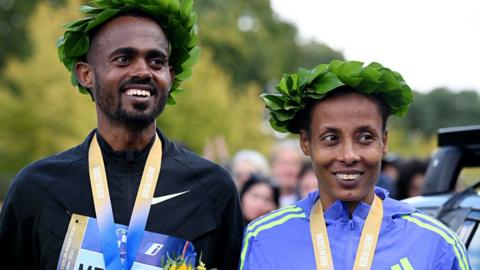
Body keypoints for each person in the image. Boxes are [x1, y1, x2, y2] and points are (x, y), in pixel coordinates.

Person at [0, 1, 244, 269]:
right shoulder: (37, 188)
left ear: (170, 77)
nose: (142, 71)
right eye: (123, 59)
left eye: (156, 61)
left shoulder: (212, 189)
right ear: (86, 74)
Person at [240, 60, 471, 269]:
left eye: (365, 138)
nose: (349, 155)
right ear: (306, 143)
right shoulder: (264, 238)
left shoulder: (435, 243)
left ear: (384, 142)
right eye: (331, 138)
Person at [270, 139, 303, 207]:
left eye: (293, 163)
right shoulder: (264, 199)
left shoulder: (308, 199)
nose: (287, 170)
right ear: (273, 167)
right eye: (283, 163)